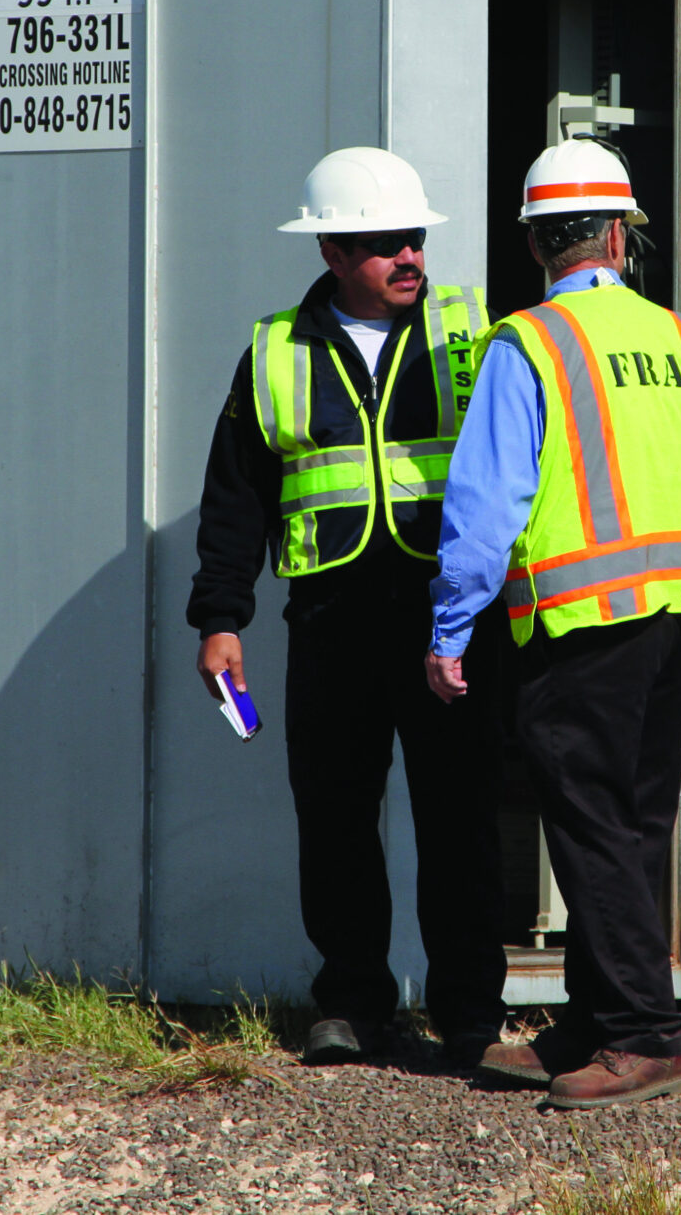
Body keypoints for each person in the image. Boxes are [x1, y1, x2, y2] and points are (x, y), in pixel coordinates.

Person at [428, 138, 681, 1112]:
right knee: (636, 825)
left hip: (579, 625)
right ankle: (595, 1019)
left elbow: (485, 507)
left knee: (590, 827)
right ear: (619, 235)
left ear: (536, 243)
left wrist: (450, 629)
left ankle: (647, 1035)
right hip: (674, 621)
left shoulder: (528, 343)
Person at [186, 146, 505, 1068]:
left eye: (415, 238)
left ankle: (470, 1012)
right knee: (334, 816)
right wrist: (220, 619)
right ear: (330, 252)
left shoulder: (472, 331)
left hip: (449, 620)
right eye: (383, 243)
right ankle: (354, 1003)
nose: (409, 256)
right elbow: (236, 497)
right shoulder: (274, 352)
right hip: (331, 622)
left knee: (460, 816)